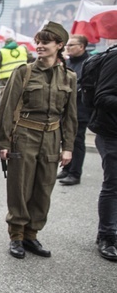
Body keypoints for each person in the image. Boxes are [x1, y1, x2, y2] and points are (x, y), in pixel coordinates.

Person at [0, 22, 77, 259]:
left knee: (43, 188)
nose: (40, 46)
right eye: (38, 41)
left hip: (52, 137)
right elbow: (7, 109)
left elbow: (70, 116)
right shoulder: (24, 72)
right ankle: (17, 236)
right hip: (24, 136)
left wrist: (68, 147)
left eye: (46, 42)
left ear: (59, 46)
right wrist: (4, 143)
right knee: (19, 188)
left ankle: (32, 235)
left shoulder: (69, 77)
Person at [84, 40, 117, 261]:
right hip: (112, 132)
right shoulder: (115, 59)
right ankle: (107, 236)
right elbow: (102, 97)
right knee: (113, 185)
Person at [58, 34, 91, 186]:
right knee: (65, 139)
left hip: (80, 109)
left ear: (81, 47)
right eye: (67, 45)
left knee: (77, 141)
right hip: (65, 109)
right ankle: (66, 168)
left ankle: (75, 173)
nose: (67, 48)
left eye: (71, 45)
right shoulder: (68, 62)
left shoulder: (89, 63)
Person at [0, 38, 28, 115]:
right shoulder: (23, 49)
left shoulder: (3, 52)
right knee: (20, 100)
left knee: (5, 102)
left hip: (5, 81)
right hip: (22, 78)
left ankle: (5, 118)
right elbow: (30, 60)